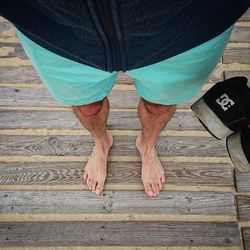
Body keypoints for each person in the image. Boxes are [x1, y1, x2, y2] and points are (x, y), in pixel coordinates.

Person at [0, 0, 249, 196]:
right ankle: (101, 142)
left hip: (189, 26)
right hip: (53, 29)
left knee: (159, 105)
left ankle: (147, 145)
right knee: (87, 106)